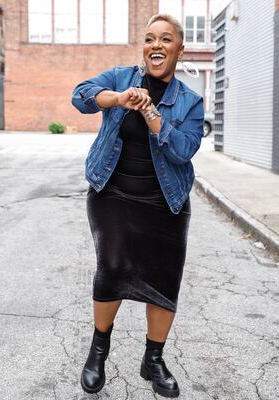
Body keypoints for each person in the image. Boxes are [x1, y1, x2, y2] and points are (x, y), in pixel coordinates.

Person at [71, 13, 204, 398]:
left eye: (166, 39)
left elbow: (184, 151)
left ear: (180, 49)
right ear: (143, 47)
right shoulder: (120, 77)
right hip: (111, 193)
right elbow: (81, 95)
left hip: (166, 201)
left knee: (164, 280)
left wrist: (151, 114)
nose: (156, 46)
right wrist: (118, 99)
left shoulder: (191, 102)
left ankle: (153, 359)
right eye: (149, 39)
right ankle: (98, 352)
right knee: (112, 266)